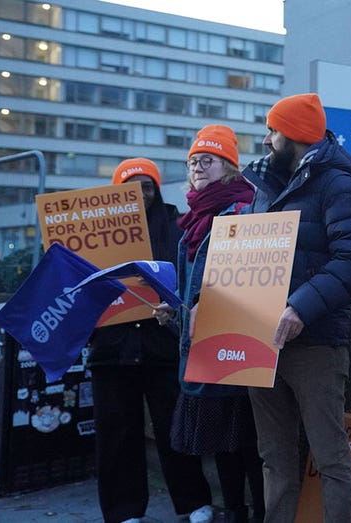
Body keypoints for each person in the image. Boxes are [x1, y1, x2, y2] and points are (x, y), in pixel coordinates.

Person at [239, 94, 351, 523]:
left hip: (315, 344)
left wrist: (300, 307)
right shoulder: (265, 189)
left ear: (294, 135)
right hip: (263, 345)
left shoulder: (336, 185)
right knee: (273, 459)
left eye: (272, 130)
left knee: (330, 459)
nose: (266, 140)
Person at [89, 158, 214, 523]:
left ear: (156, 190)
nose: (140, 195)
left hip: (161, 345)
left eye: (147, 187)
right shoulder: (96, 232)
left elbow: (191, 277)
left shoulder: (177, 226)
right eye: (131, 187)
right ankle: (124, 510)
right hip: (111, 349)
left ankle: (193, 502)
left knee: (175, 429)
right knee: (116, 436)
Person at [155, 125, 265, 523]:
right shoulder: (194, 218)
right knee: (224, 444)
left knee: (248, 443)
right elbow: (192, 290)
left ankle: (256, 513)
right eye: (193, 162)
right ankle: (235, 511)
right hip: (204, 346)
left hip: (236, 344)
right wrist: (175, 311)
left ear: (230, 167)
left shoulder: (242, 209)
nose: (198, 168)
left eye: (208, 160)